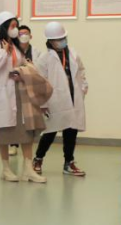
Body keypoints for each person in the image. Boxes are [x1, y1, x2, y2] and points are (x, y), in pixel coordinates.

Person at [0, 11, 47, 183]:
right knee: (4, 133)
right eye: (12, 26)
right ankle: (6, 169)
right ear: (4, 28)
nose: (16, 29)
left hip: (20, 94)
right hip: (3, 97)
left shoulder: (17, 47)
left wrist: (25, 69)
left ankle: (28, 169)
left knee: (27, 132)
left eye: (16, 26)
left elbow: (21, 64)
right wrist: (4, 52)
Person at [33, 21, 88, 177]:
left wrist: (83, 87)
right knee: (50, 132)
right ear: (50, 41)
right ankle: (38, 159)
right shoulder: (44, 59)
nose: (62, 41)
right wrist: (43, 103)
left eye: (63, 37)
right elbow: (39, 83)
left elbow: (81, 72)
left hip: (73, 98)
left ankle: (68, 162)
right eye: (58, 39)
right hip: (54, 100)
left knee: (71, 131)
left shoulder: (73, 54)